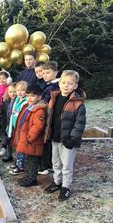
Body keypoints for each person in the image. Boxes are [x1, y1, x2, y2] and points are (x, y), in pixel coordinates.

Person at [44, 70, 86, 201]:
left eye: (69, 83)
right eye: (63, 82)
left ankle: (65, 187)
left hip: (68, 140)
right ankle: (57, 182)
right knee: (55, 162)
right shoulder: (54, 98)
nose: (65, 85)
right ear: (59, 83)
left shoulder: (78, 103)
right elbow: (50, 118)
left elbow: (79, 123)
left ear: (75, 86)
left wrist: (73, 138)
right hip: (55, 137)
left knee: (66, 165)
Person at [12, 84, 47, 187]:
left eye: (32, 96)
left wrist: (30, 138)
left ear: (39, 97)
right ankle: (28, 176)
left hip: (32, 141)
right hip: (25, 140)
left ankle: (32, 179)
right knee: (27, 160)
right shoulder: (28, 107)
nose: (29, 98)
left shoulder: (39, 110)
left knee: (32, 161)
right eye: (27, 96)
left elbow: (37, 126)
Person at [39, 61, 60, 175]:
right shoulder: (48, 85)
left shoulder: (53, 87)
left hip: (50, 117)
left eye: (48, 72)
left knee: (47, 141)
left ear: (55, 73)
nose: (45, 75)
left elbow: (44, 102)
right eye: (43, 72)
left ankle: (47, 165)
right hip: (49, 116)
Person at [7, 81, 28, 174]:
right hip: (15, 127)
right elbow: (12, 114)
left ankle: (20, 165)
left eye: (22, 90)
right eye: (18, 90)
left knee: (21, 148)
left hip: (22, 129)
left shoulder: (26, 101)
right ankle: (17, 162)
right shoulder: (16, 100)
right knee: (17, 147)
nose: (19, 92)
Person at [1, 83, 16, 162]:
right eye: (10, 92)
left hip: (15, 123)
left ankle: (18, 159)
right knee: (8, 139)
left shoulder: (18, 101)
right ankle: (9, 155)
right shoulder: (7, 101)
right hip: (8, 122)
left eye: (14, 91)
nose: (12, 94)